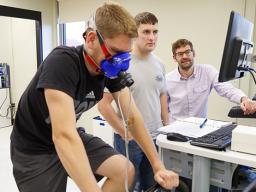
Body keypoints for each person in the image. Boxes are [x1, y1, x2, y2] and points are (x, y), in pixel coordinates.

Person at [10, 3, 179, 192]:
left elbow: (131, 115)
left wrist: (158, 165)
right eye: (116, 53)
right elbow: (63, 136)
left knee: (124, 170)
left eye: (125, 54)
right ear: (91, 39)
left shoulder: (109, 69)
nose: (121, 62)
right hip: (34, 148)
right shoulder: (63, 62)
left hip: (69, 135)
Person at [97, 12, 169, 191]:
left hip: (155, 136)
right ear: (135, 34)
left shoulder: (159, 63)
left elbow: (162, 96)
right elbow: (103, 105)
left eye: (155, 31)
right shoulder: (121, 64)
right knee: (129, 185)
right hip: (130, 140)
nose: (151, 37)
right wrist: (123, 132)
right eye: (146, 32)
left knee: (152, 184)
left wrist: (167, 127)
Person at [166, 38, 256, 123]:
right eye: (180, 54)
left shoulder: (207, 71)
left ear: (193, 53)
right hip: (175, 130)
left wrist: (244, 99)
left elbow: (227, 89)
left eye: (187, 52)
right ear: (174, 57)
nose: (185, 56)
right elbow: (162, 109)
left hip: (199, 129)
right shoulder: (167, 80)